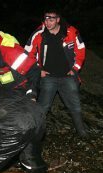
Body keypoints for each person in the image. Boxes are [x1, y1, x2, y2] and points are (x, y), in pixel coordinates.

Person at [24, 9, 88, 137]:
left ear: (58, 19)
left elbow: (81, 50)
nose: (48, 22)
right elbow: (27, 53)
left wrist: (75, 69)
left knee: (75, 107)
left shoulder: (70, 32)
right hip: (48, 77)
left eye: (51, 19)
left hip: (68, 77)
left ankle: (82, 132)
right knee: (43, 108)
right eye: (46, 19)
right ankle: (35, 135)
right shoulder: (39, 34)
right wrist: (38, 69)